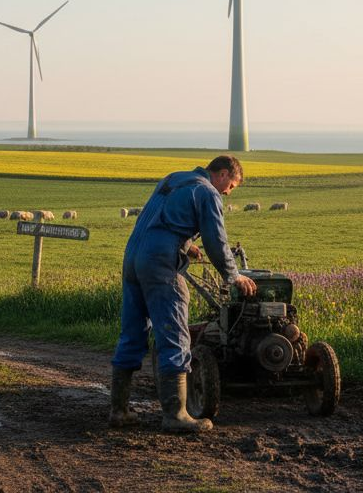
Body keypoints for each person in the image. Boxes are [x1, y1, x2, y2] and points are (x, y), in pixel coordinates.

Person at [108, 154, 256, 432]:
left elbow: (160, 219)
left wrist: (186, 246)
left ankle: (119, 410)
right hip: (160, 263)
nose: (228, 192)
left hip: (133, 258)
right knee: (174, 332)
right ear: (223, 174)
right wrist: (233, 275)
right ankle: (176, 415)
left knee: (132, 332)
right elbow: (216, 240)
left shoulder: (174, 178)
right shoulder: (207, 192)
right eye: (232, 186)